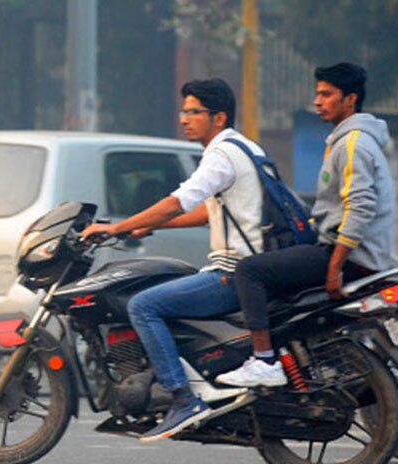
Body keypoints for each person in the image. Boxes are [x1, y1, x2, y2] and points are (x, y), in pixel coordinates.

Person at [81, 78, 269, 443]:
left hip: (234, 272)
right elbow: (204, 213)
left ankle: (182, 398)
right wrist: (142, 228)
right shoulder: (244, 147)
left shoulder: (221, 154)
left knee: (144, 305)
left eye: (193, 112)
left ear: (218, 117)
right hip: (251, 268)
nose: (184, 119)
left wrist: (118, 226)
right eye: (183, 111)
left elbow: (178, 201)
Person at [217, 62, 395, 387]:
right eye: (317, 94)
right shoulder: (346, 140)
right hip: (343, 251)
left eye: (327, 94)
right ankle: (294, 358)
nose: (318, 101)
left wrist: (334, 267)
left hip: (350, 257)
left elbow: (360, 208)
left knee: (250, 271)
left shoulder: (354, 143)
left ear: (350, 99)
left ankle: (264, 360)